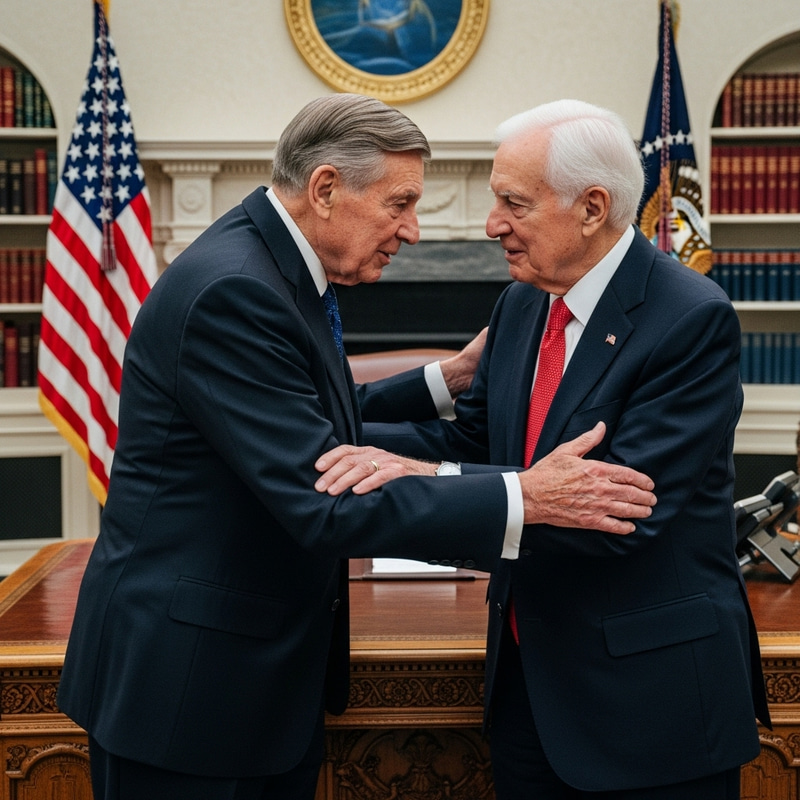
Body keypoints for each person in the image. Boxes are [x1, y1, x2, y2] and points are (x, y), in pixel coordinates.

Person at [57, 93, 657, 800]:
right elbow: (325, 503)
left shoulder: (273, 267)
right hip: (190, 692)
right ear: (325, 188)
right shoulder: (234, 292)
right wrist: (524, 495)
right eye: (399, 204)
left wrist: (448, 380)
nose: (413, 231)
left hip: (244, 684)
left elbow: (314, 415)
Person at [315, 98, 771, 799]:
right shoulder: (524, 302)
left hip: (651, 706)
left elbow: (613, 515)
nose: (493, 223)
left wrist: (422, 476)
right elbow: (472, 439)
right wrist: (329, 443)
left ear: (592, 208)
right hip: (530, 692)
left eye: (513, 203)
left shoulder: (689, 319)